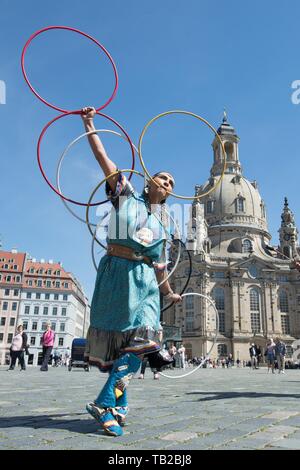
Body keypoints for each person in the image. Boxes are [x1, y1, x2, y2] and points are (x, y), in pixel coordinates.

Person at [81, 107, 182, 437]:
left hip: (145, 284)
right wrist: (90, 124)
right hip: (117, 276)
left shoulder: (162, 224)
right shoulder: (125, 195)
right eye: (163, 177)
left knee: (145, 342)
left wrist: (168, 292)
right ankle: (117, 405)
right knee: (126, 349)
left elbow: (160, 265)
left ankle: (106, 402)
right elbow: (103, 157)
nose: (167, 183)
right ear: (150, 180)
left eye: (171, 183)